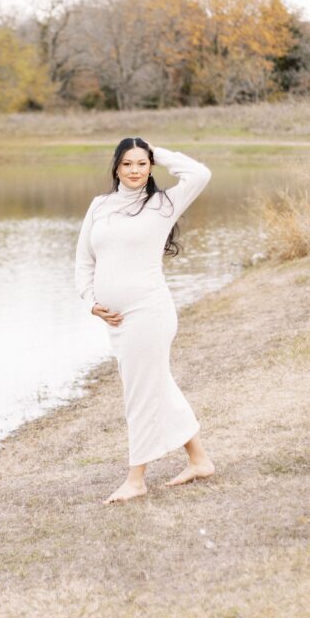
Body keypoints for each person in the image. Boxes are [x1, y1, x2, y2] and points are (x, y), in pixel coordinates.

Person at [75, 137, 215, 504]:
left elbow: (200, 173)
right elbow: (83, 260)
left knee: (139, 393)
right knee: (157, 385)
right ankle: (199, 460)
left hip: (149, 312)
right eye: (127, 164)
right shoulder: (100, 206)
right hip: (115, 321)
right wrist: (91, 302)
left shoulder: (163, 204)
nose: (135, 170)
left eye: (142, 163)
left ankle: (136, 478)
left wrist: (159, 150)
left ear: (151, 166)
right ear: (116, 168)